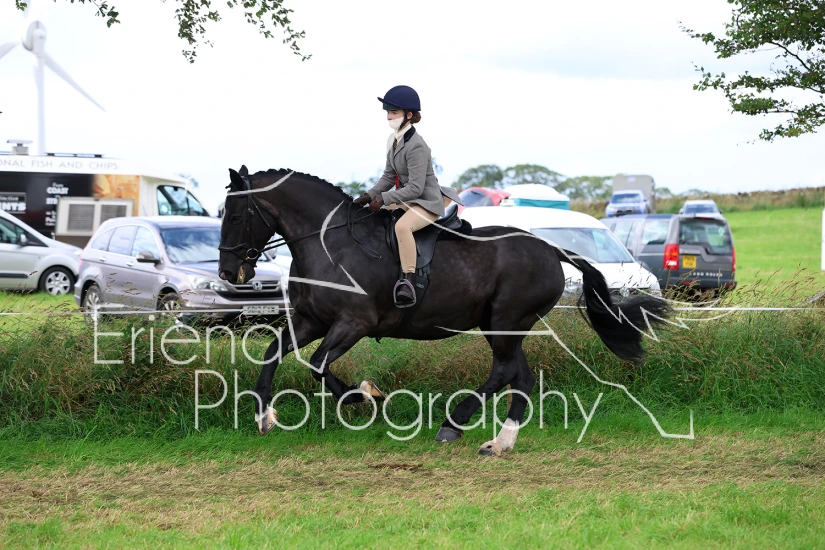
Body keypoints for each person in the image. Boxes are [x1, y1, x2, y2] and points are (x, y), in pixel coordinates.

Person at [354, 85, 461, 307]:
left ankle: (409, 280)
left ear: (409, 115)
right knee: (371, 218)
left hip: (427, 201)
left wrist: (383, 199)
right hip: (408, 200)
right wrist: (368, 196)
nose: (388, 117)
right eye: (388, 112)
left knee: (402, 227)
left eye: (394, 112)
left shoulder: (417, 146)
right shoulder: (393, 140)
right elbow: (388, 176)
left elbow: (416, 188)